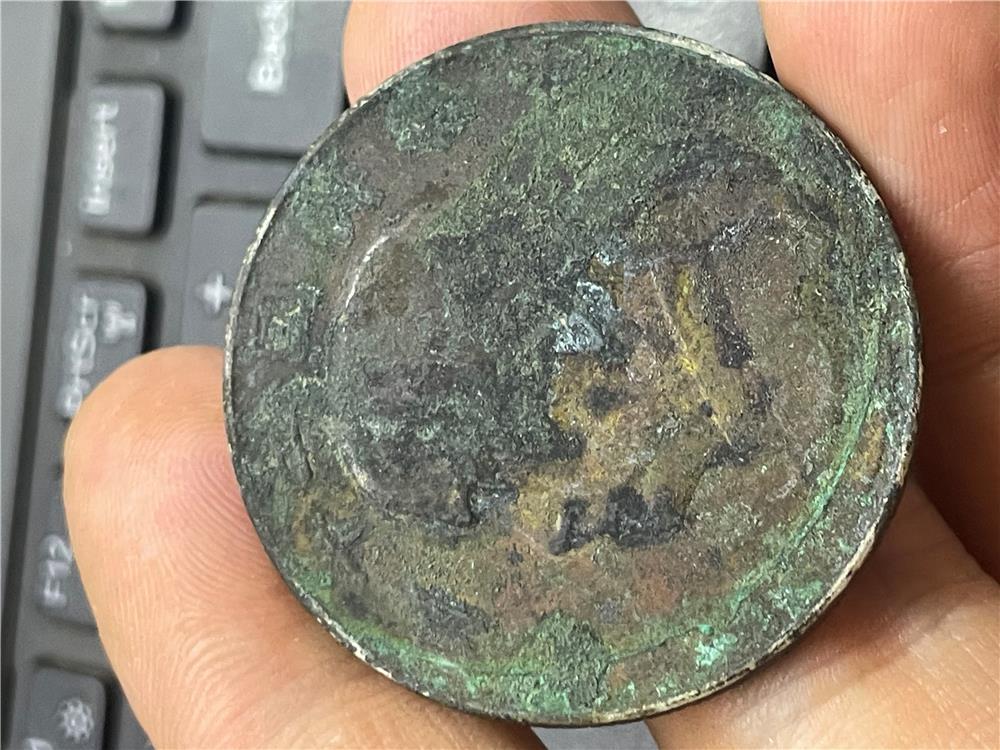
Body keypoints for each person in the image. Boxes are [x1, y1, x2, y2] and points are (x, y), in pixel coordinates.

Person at [63, 2, 998, 747]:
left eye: (610, 350)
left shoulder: (720, 247)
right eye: (607, 373)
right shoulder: (669, 453)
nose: (627, 342)